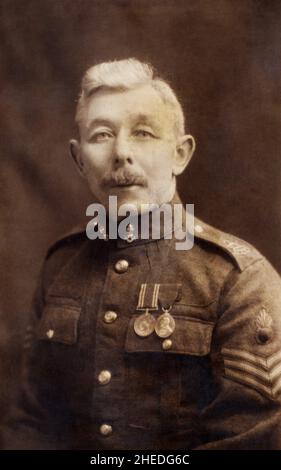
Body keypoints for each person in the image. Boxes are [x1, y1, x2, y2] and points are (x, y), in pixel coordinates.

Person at [2, 58, 281, 450]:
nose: (121, 154)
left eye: (144, 133)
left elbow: (256, 439)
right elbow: (32, 424)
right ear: (79, 159)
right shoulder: (60, 265)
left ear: (180, 154)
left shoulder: (237, 277)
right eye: (101, 135)